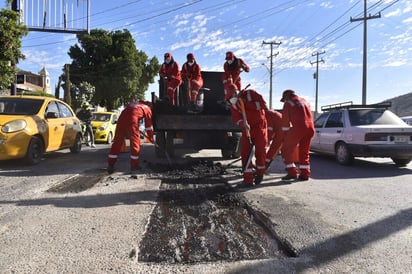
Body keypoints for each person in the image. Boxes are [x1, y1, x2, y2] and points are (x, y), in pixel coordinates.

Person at [225, 83, 268, 187]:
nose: (231, 99)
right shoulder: (233, 104)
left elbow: (264, 105)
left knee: (260, 152)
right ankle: (248, 179)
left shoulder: (250, 94)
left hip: (259, 128)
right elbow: (236, 117)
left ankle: (260, 174)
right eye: (229, 98)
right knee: (245, 154)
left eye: (232, 96)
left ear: (237, 92)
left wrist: (246, 104)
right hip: (247, 129)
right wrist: (242, 124)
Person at [107, 101, 154, 174]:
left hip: (121, 119)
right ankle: (134, 166)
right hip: (132, 120)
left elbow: (130, 113)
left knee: (117, 142)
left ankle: (110, 164)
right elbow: (148, 126)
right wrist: (151, 138)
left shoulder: (135, 104)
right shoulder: (147, 108)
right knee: (135, 143)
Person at [279, 89, 315, 181]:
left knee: (285, 150)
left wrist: (285, 134)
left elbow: (285, 122)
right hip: (310, 128)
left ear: (286, 97)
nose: (284, 101)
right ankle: (305, 174)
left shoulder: (288, 103)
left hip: (299, 128)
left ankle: (292, 172)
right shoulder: (305, 101)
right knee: (304, 151)